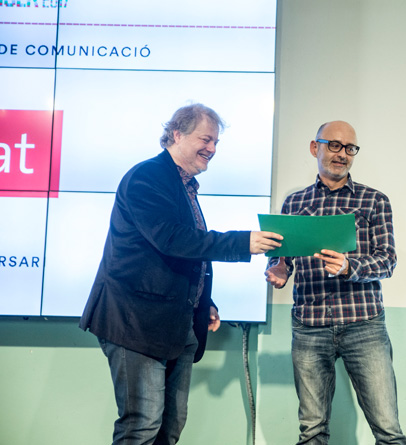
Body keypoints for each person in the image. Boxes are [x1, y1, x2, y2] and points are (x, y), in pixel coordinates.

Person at [79, 103, 282, 445]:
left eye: (216, 142)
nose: (212, 149)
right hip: (135, 322)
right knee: (141, 424)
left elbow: (180, 256)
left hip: (177, 323)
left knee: (170, 427)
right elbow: (172, 239)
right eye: (206, 139)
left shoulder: (183, 184)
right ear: (177, 134)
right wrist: (242, 242)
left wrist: (204, 301)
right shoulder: (147, 177)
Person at [265, 121, 406, 444]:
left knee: (388, 430)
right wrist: (280, 268)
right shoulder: (294, 203)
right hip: (309, 326)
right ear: (315, 147)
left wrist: (348, 266)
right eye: (334, 145)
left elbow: (387, 261)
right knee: (312, 431)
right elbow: (284, 259)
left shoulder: (375, 201)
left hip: (364, 325)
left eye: (349, 148)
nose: (342, 154)